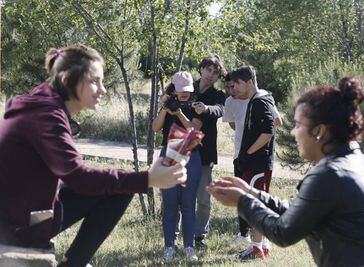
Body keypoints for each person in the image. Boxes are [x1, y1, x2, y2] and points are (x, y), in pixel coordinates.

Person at [0, 44, 187, 267]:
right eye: (94, 81)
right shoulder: (47, 115)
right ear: (69, 81)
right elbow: (79, 177)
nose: (103, 89)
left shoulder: (43, 102)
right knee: (125, 183)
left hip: (20, 213)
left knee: (120, 187)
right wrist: (148, 179)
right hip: (13, 226)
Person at [207, 76, 364, 266]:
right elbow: (298, 211)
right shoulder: (358, 162)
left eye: (298, 125)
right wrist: (251, 193)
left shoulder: (330, 174)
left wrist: (242, 201)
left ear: (319, 131)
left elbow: (283, 232)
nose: (293, 132)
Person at [222, 73, 282, 250]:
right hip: (248, 160)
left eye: (237, 84)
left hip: (257, 162)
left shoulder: (261, 101)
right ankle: (259, 243)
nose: (234, 89)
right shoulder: (253, 100)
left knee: (257, 203)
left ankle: (258, 247)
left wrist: (248, 152)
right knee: (251, 200)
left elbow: (269, 130)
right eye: (230, 87)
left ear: (249, 82)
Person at [152, 71, 202, 261]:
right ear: (173, 89)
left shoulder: (196, 106)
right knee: (170, 203)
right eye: (180, 90)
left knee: (188, 203)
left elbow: (193, 129)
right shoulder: (167, 103)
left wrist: (179, 112)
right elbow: (155, 128)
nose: (184, 94)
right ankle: (169, 247)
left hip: (191, 154)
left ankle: (189, 247)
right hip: (169, 154)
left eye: (187, 90)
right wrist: (165, 108)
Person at [192, 54, 227, 249]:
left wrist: (205, 109)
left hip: (204, 152)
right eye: (208, 70)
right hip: (180, 149)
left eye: (216, 73)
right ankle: (177, 234)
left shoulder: (218, 95)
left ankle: (199, 237)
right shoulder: (187, 88)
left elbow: (219, 110)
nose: (211, 75)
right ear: (201, 69)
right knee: (179, 195)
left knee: (203, 198)